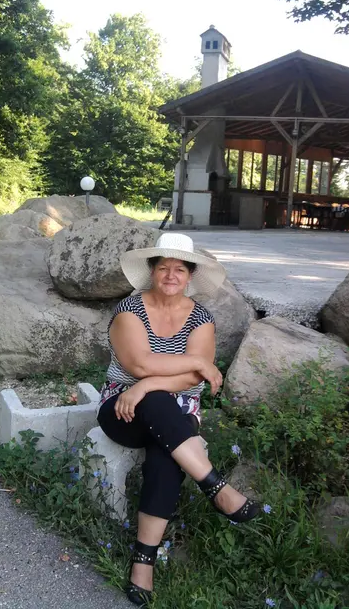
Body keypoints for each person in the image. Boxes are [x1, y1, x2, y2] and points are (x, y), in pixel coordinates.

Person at [97, 233, 259, 607]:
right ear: (152, 271)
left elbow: (189, 381)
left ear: (190, 276)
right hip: (122, 409)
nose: (171, 275)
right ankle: (215, 487)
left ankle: (143, 562)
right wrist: (196, 362)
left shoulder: (201, 318)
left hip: (174, 411)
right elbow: (140, 364)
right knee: (155, 401)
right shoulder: (129, 310)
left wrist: (146, 386)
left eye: (180, 269)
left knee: (165, 454)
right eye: (164, 268)